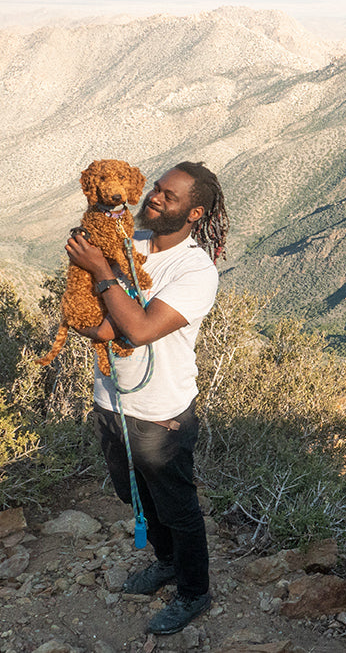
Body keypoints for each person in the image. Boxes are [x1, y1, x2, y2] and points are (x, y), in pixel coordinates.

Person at [66, 161, 229, 635]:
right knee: (131, 491)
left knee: (177, 505)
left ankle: (194, 591)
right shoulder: (130, 243)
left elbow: (136, 330)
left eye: (169, 196)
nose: (155, 198)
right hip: (112, 398)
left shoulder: (195, 271)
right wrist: (93, 310)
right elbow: (87, 311)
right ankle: (166, 562)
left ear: (194, 213)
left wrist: (99, 270)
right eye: (157, 189)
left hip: (160, 412)